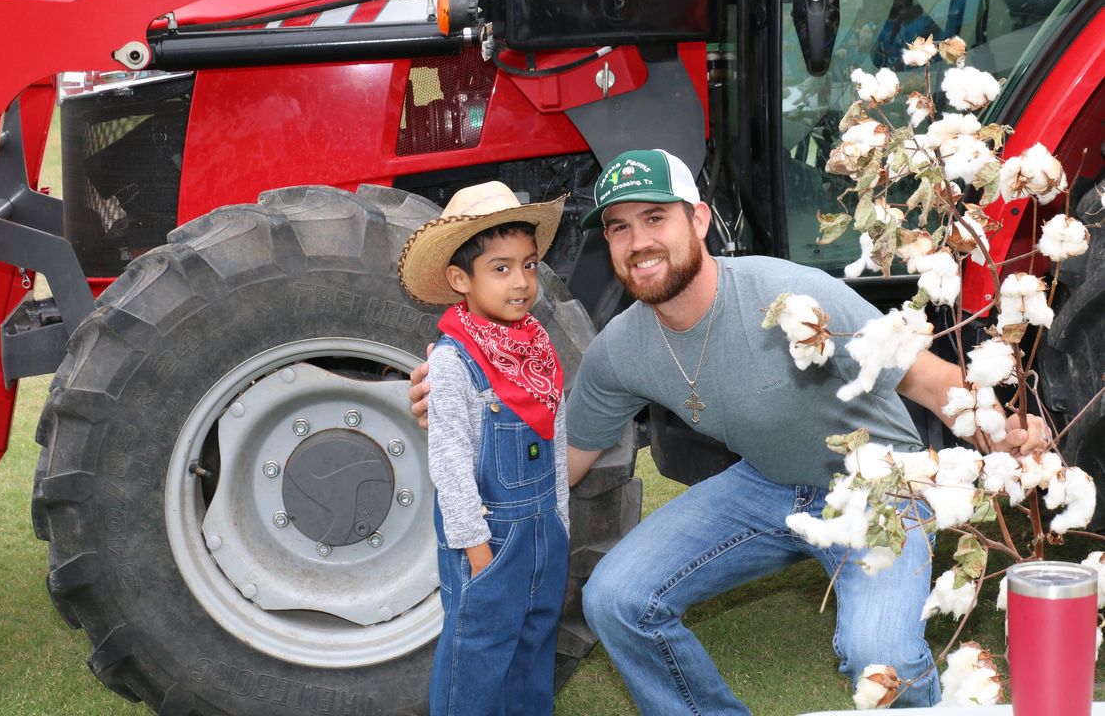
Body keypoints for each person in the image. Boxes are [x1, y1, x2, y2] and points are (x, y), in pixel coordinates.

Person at [408, 150, 1049, 714]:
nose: (638, 242)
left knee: (877, 657)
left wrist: (1004, 430)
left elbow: (929, 380)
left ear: (699, 219)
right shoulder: (620, 350)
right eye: (619, 228)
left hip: (876, 489)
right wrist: (473, 403)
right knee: (616, 600)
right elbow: (560, 458)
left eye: (655, 218)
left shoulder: (793, 296)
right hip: (766, 486)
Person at [398, 181, 570, 716]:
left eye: (530, 264)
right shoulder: (453, 363)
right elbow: (449, 463)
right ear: (459, 280)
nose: (521, 282)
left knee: (535, 644)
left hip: (544, 533)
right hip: (489, 540)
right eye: (500, 268)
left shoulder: (538, 348)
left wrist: (560, 520)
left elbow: (555, 440)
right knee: (477, 654)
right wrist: (476, 549)